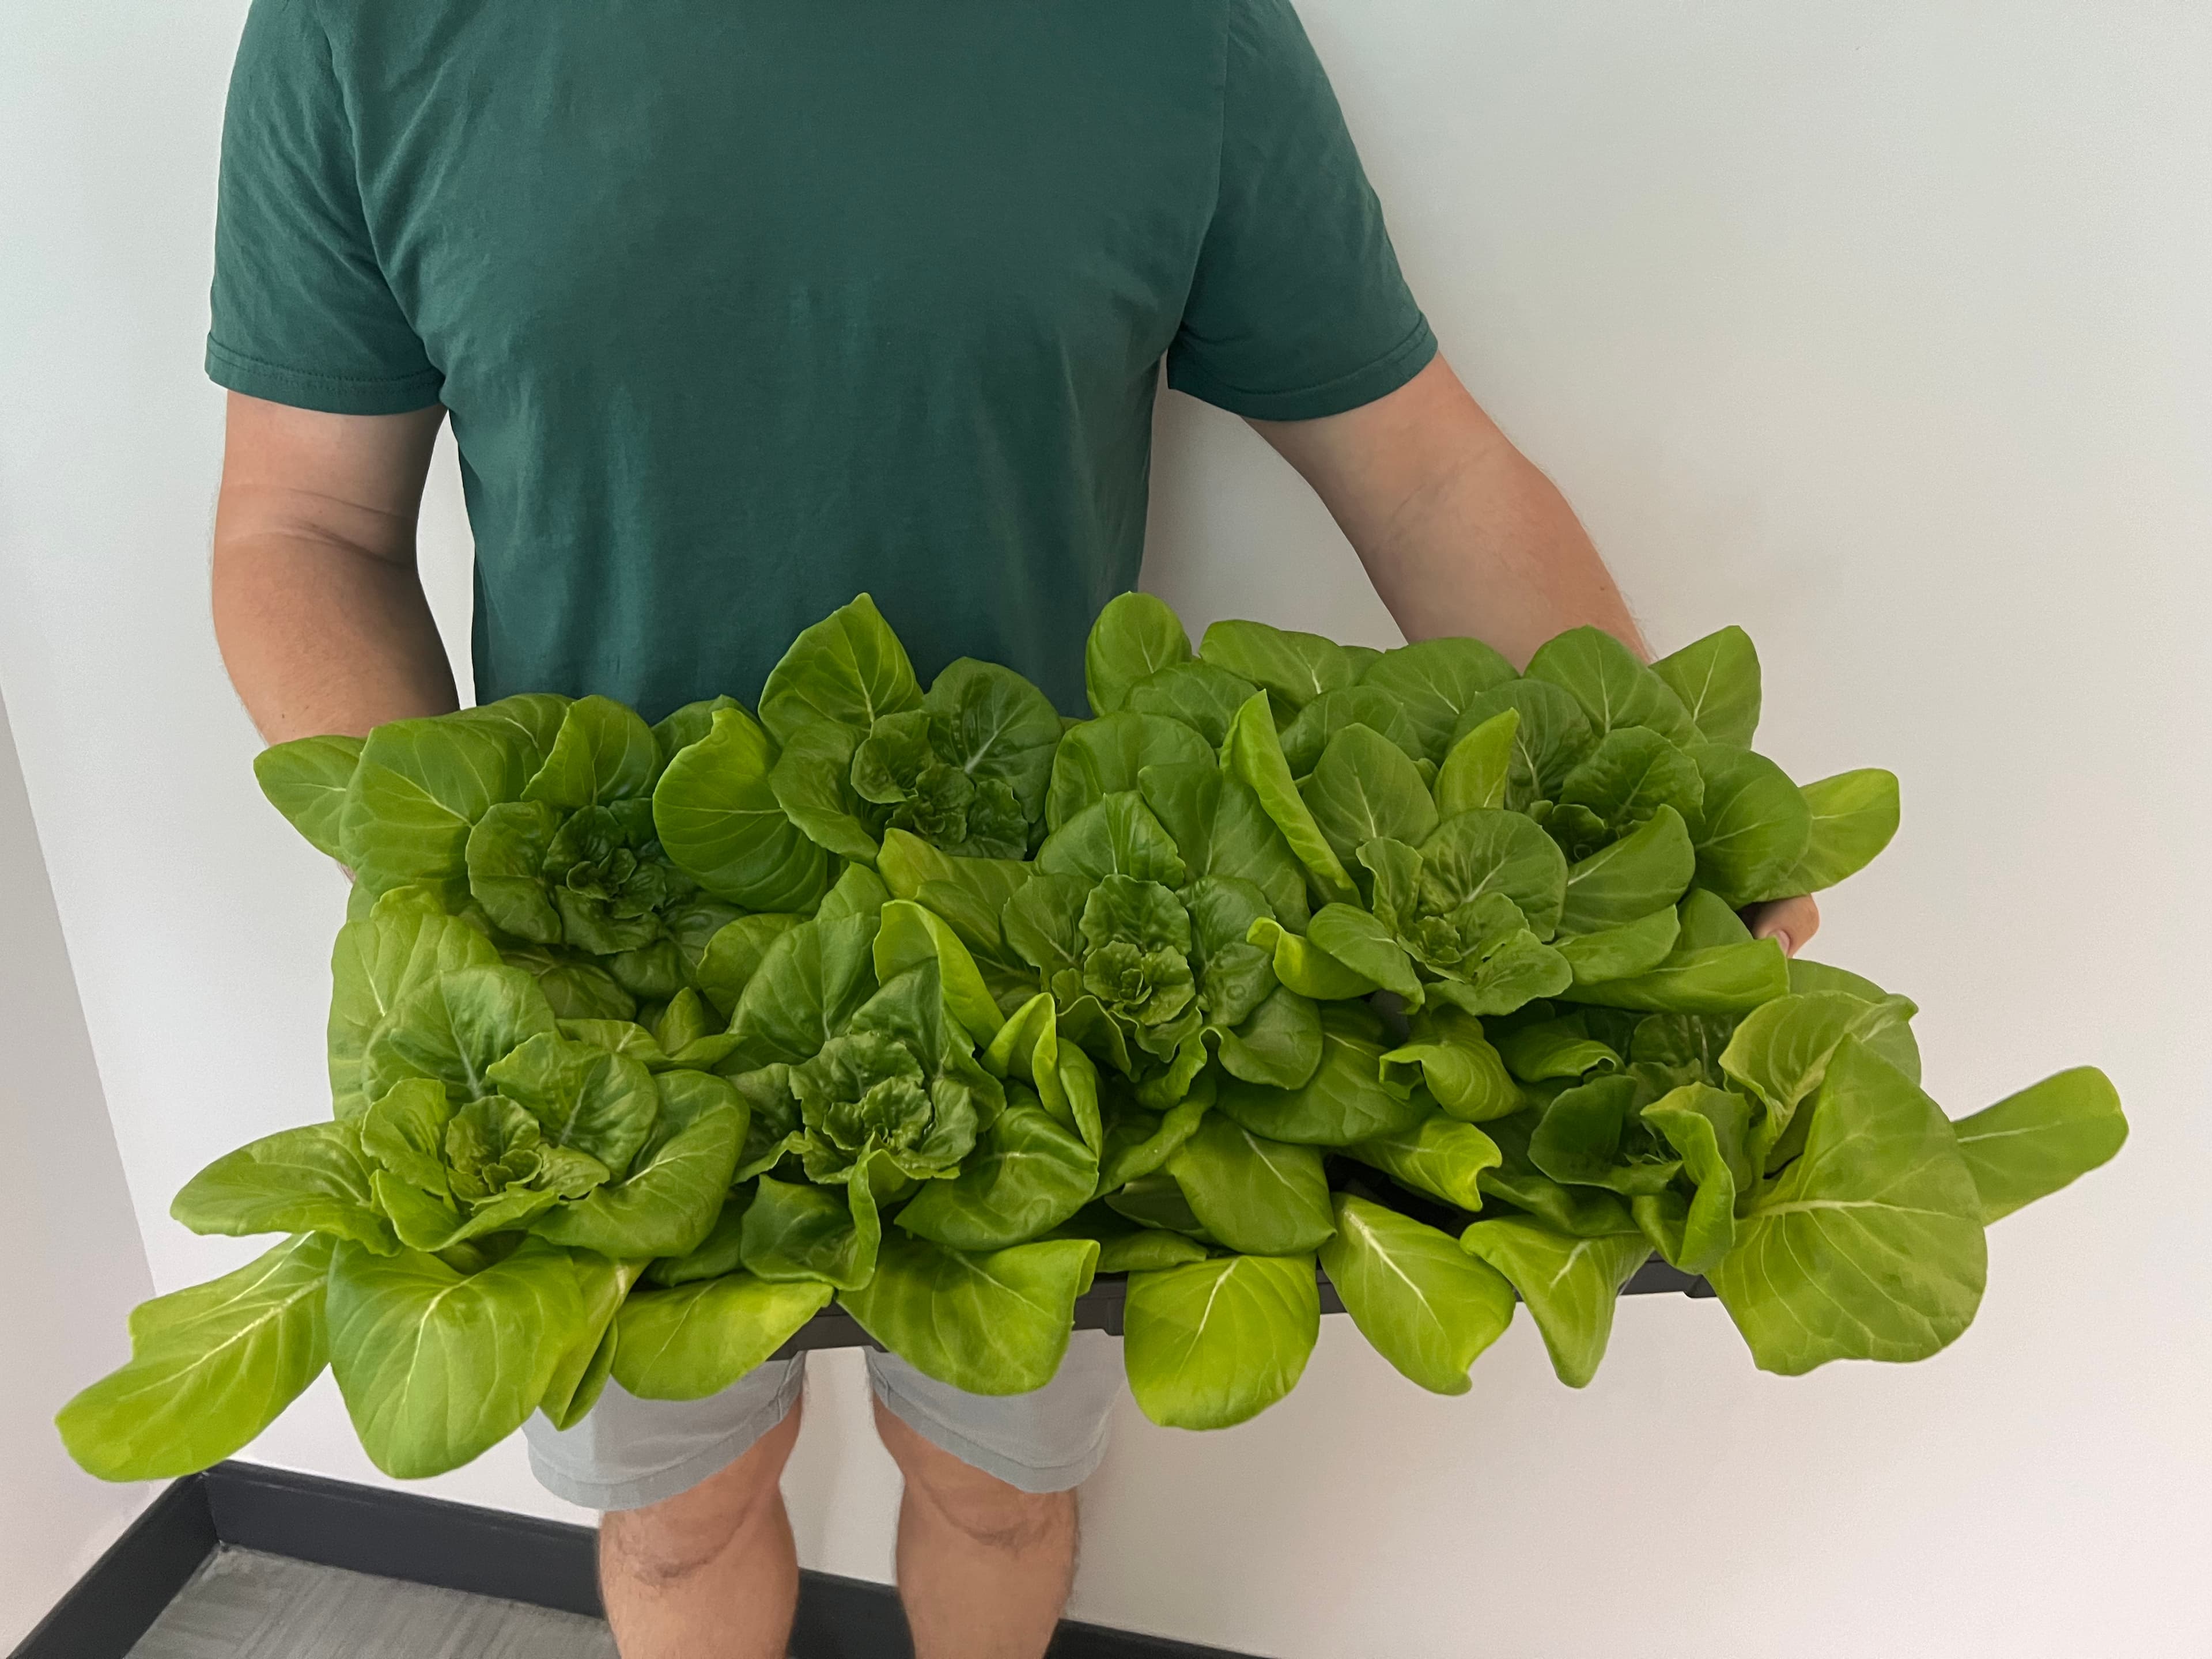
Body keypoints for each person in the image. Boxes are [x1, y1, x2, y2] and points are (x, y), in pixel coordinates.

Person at [204, 1, 1819, 1654]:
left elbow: (1425, 477)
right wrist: (455, 905)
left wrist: (1670, 823)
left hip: (1052, 1012)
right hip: (593, 1014)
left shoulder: (1177, 32)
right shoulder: (366, 30)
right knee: (679, 1527)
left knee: (996, 1489)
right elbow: (301, 524)